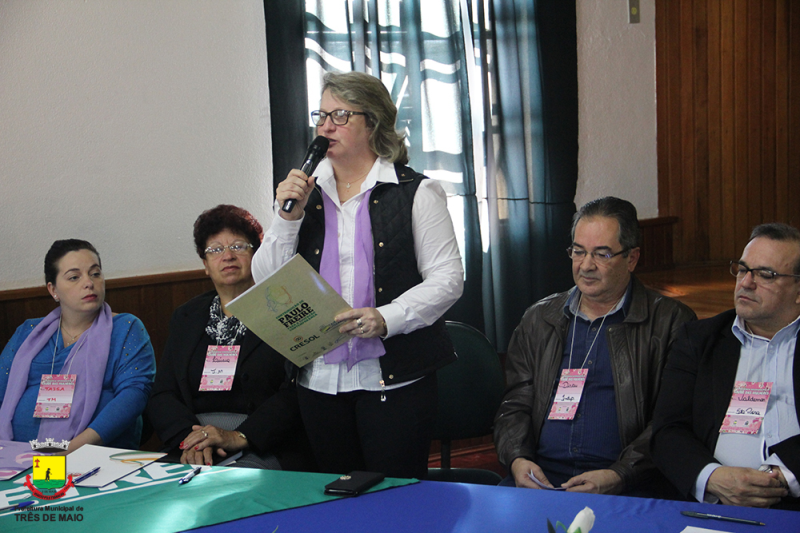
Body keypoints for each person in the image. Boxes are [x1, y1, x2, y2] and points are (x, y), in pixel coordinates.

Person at [252, 71, 464, 479]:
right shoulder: (305, 195)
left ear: (373, 123)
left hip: (394, 381)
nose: (326, 126)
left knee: (396, 504)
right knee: (336, 500)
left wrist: (388, 317)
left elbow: (448, 278)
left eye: (341, 115)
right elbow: (267, 280)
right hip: (318, 381)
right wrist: (286, 220)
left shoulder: (416, 192)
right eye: (321, 116)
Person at [494, 197, 696, 495]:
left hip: (628, 483)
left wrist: (620, 474)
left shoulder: (670, 322)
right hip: (541, 478)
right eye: (578, 251)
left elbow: (670, 422)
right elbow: (515, 405)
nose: (586, 265)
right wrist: (517, 458)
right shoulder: (539, 319)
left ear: (632, 258)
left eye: (601, 254)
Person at [147, 205, 312, 470]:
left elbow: (297, 391)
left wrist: (238, 436)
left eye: (238, 246)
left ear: (257, 255)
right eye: (215, 249)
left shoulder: (282, 309)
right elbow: (163, 393)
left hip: (262, 443)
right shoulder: (186, 316)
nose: (227, 256)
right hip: (192, 444)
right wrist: (193, 441)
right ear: (205, 265)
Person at [651, 223, 800, 510]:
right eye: (743, 269)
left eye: (765, 275)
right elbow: (667, 431)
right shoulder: (698, 339)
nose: (746, 283)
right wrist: (712, 477)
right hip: (716, 503)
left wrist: (783, 475)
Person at [0, 239, 155, 452]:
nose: (89, 283)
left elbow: (134, 395)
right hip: (17, 459)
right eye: (74, 277)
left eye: (95, 273)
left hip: (95, 457)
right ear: (53, 290)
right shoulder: (28, 333)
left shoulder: (125, 329)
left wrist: (70, 450)